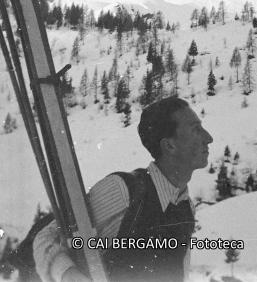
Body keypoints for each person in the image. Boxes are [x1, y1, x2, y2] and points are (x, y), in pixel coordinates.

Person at [34, 97, 214, 282]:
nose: (208, 138)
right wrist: (68, 275)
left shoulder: (185, 207)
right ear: (169, 145)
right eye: (196, 130)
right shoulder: (125, 190)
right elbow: (47, 236)